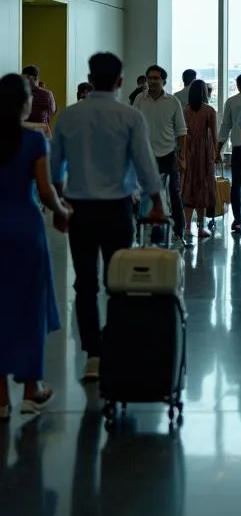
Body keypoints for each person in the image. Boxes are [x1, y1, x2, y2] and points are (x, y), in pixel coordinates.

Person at [51, 52, 165, 382]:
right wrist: (157, 202)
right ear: (119, 82)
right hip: (117, 210)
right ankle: (118, 344)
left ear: (91, 76)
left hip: (79, 209)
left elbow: (56, 166)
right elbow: (145, 164)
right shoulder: (129, 116)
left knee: (84, 283)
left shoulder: (70, 117)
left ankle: (93, 355)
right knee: (118, 281)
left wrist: (60, 204)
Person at [0, 73, 71, 419]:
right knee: (30, 307)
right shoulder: (33, 141)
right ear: (25, 102)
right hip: (26, 232)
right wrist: (63, 212)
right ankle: (31, 389)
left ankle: (0, 398)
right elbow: (46, 191)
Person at [134, 64, 187, 242]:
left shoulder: (173, 102)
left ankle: (179, 232)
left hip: (168, 154)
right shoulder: (140, 100)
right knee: (143, 195)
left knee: (174, 193)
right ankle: (139, 232)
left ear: (164, 81)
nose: (152, 81)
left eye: (156, 78)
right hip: (145, 155)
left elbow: (181, 131)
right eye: (150, 78)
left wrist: (182, 157)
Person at [181, 79, 218, 244]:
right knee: (203, 186)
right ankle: (201, 227)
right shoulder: (210, 110)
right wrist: (217, 154)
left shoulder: (185, 110)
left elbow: (181, 133)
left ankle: (187, 227)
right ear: (205, 92)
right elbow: (215, 135)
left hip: (188, 151)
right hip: (204, 152)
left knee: (188, 187)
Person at [217, 73, 241, 232]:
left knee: (236, 185)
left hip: (239, 148)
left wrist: (218, 149)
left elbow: (225, 128)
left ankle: (237, 220)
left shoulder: (232, 102)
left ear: (238, 85)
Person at [21, 66, 57, 138]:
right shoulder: (47, 94)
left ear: (35, 78)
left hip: (36, 131)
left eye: (27, 78)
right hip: (39, 130)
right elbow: (53, 111)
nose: (25, 81)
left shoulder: (47, 94)